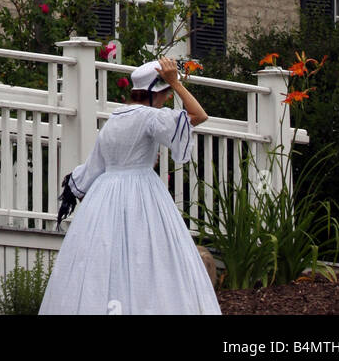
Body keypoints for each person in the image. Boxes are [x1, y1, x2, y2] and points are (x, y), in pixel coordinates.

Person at [38, 55, 221, 315]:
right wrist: (177, 83)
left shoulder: (115, 119)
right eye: (167, 92)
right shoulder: (149, 117)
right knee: (145, 260)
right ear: (154, 92)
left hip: (103, 198)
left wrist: (86, 203)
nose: (169, 97)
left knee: (105, 265)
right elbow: (198, 115)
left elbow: (93, 168)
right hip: (141, 196)